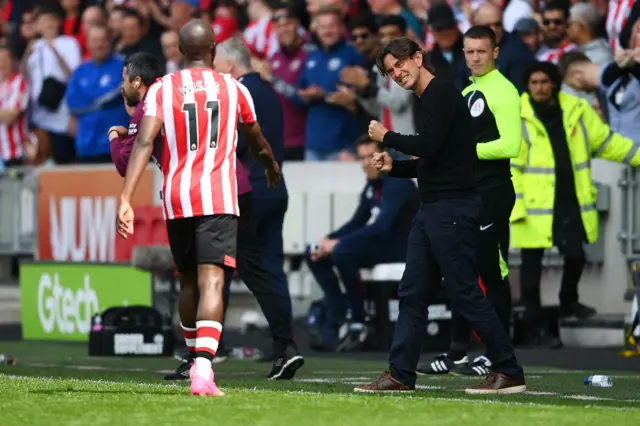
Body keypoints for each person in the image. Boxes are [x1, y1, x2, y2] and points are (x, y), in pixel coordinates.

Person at [116, 19, 281, 397]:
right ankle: (204, 369)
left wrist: (126, 197)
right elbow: (255, 138)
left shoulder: (161, 88)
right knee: (213, 280)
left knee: (188, 281)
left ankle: (194, 358)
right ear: (213, 50)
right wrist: (271, 164)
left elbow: (143, 142)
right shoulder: (233, 88)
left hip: (176, 198)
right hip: (218, 197)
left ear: (179, 51)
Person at [353, 37, 526, 395]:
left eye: (399, 64)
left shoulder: (442, 94)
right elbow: (436, 161)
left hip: (450, 209)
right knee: (414, 291)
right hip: (434, 207)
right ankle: (401, 373)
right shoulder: (434, 98)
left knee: (464, 291)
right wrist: (395, 168)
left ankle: (508, 369)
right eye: (389, 71)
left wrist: (388, 136)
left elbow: (429, 147)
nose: (396, 73)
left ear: (418, 57)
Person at [418, 26, 521, 377]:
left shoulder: (503, 91)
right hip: (469, 193)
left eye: (481, 51)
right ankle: (457, 351)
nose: (475, 57)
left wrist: (464, 151)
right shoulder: (467, 90)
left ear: (495, 52)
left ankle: (496, 355)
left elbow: (511, 146)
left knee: (493, 272)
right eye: (469, 51)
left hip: (492, 192)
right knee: (460, 271)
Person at [305, 135, 419, 352]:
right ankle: (337, 308)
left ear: (384, 154)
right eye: (362, 158)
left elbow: (381, 226)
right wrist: (326, 241)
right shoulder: (373, 184)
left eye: (371, 156)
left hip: (403, 247)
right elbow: (357, 222)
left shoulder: (397, 183)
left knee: (342, 252)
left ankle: (358, 317)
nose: (367, 162)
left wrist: (336, 243)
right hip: (382, 244)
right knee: (313, 253)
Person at [108, 52, 164, 176]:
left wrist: (113, 133)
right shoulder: (166, 97)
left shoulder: (145, 110)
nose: (123, 86)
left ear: (137, 82)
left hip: (182, 186)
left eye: (124, 80)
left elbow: (124, 166)